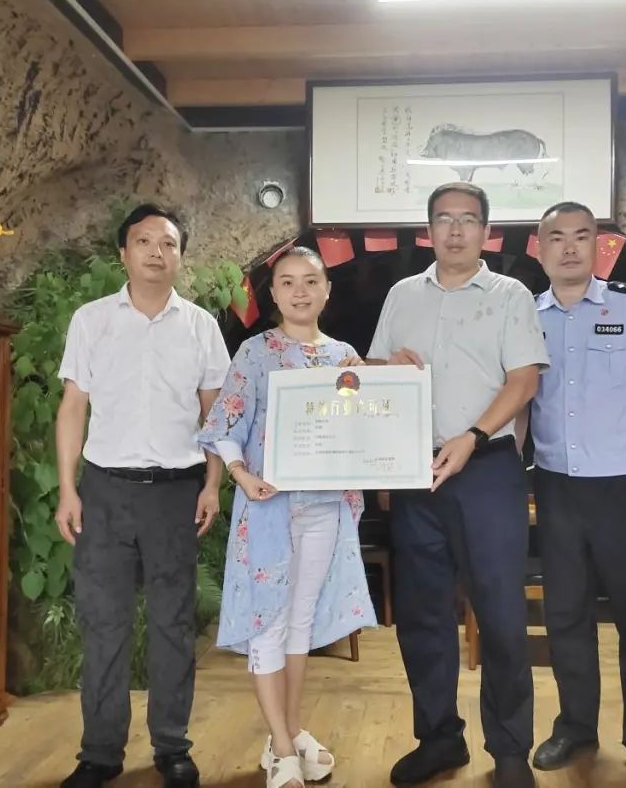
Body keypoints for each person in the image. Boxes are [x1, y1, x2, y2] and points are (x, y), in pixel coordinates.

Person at [368, 182, 549, 788]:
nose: (454, 230)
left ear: (486, 232)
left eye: (467, 220)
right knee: (422, 615)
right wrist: (383, 368)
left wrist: (473, 434)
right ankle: (439, 739)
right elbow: (373, 371)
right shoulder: (401, 295)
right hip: (415, 473)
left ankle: (510, 751)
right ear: (428, 231)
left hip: (486, 469)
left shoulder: (510, 295)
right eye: (443, 219)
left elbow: (524, 380)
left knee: (500, 614)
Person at [54, 204, 231, 788]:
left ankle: (172, 746)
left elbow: (214, 415)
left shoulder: (201, 327)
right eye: (144, 241)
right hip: (104, 491)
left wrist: (212, 483)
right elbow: (73, 408)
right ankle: (100, 753)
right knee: (103, 623)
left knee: (173, 623)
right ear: (123, 253)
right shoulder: (91, 321)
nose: (157, 251)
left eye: (169, 243)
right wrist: (68, 490)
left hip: (176, 492)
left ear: (181, 256)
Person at [198, 246, 376, 788]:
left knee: (301, 622)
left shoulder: (344, 355)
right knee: (268, 622)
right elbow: (225, 422)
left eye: (311, 281)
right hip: (269, 506)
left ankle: (291, 731)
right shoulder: (256, 353)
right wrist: (239, 474)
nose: (300, 291)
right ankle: (281, 745)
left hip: (324, 507)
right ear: (273, 293)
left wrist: (369, 386)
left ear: (327, 290)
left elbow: (363, 433)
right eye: (288, 282)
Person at [518, 202, 626, 788]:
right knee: (565, 615)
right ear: (539, 248)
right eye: (557, 238)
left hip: (625, 487)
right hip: (556, 484)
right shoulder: (525, 315)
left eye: (581, 236)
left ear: (597, 246)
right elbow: (519, 398)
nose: (569, 248)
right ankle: (576, 727)